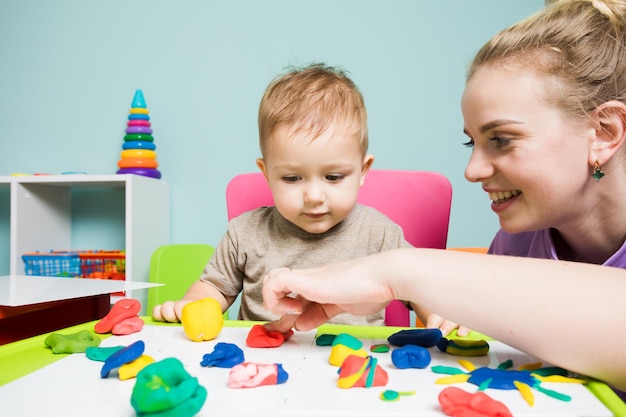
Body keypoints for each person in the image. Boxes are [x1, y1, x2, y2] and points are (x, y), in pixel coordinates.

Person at [262, 0, 626, 396]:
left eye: (501, 140)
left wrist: (392, 273)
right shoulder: (518, 241)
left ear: (604, 132)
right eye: (472, 142)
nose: (472, 171)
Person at [152, 63, 452, 329]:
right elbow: (214, 288)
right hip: (262, 370)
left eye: (333, 177)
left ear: (363, 170)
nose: (313, 196)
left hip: (351, 370)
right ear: (267, 173)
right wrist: (191, 307)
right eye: (292, 178)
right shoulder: (244, 233)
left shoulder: (380, 234)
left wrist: (439, 315)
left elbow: (416, 287)